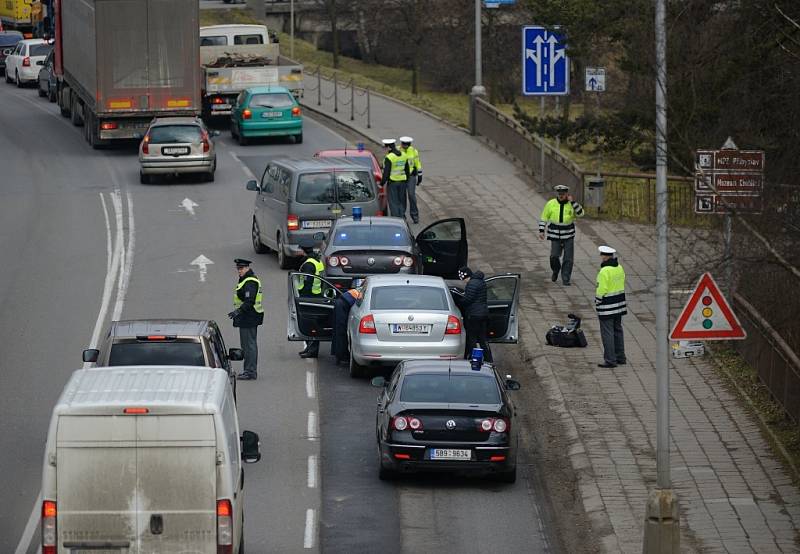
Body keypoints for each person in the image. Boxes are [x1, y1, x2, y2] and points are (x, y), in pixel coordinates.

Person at [538, 184, 585, 286]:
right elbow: (544, 218)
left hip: (568, 235)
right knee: (554, 256)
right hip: (555, 235)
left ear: (567, 194)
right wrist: (541, 230)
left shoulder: (571, 204)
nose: (561, 196)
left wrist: (573, 202)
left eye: (563, 194)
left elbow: (581, 213)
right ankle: (556, 270)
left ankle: (565, 278)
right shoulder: (551, 204)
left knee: (568, 258)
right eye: (559, 194)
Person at [228, 259, 264, 380]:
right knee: (248, 345)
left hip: (249, 317)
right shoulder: (246, 280)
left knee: (249, 346)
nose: (239, 271)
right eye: (238, 268)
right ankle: (249, 370)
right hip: (247, 317)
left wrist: (238, 311)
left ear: (247, 268)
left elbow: (250, 301)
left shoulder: (250, 282)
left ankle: (250, 371)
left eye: (241, 268)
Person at [595, 246, 627, 368]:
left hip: (607, 306)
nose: (601, 257)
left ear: (605, 256)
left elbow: (601, 289)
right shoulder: (619, 268)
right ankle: (620, 357)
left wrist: (597, 301)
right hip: (619, 305)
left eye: (601, 255)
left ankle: (610, 360)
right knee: (618, 330)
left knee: (607, 333)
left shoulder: (604, 271)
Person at [458, 266, 493, 363]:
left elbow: (468, 300)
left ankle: (473, 358)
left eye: (463, 279)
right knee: (483, 339)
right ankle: (488, 359)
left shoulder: (472, 284)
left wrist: (459, 301)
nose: (463, 282)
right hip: (483, 314)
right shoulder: (481, 281)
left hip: (473, 315)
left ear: (465, 276)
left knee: (471, 338)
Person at [296, 247, 325, 359]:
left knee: (310, 325)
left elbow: (308, 281)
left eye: (300, 250)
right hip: (316, 295)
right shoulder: (317, 261)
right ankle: (309, 348)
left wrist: (303, 295)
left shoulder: (308, 264)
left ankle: (312, 350)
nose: (298, 252)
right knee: (312, 324)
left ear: (304, 251)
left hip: (309, 297)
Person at [380, 138, 410, 218]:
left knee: (393, 203)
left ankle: (396, 219)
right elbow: (407, 170)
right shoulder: (404, 155)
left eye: (385, 147)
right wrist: (407, 181)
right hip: (403, 182)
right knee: (401, 201)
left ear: (389, 147)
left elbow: (386, 173)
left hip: (393, 183)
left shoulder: (389, 157)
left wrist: (381, 184)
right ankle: (402, 216)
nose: (385, 149)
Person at [331, 288, 362, 365]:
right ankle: (342, 356)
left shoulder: (364, 287)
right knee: (341, 331)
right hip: (343, 305)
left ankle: (338, 355)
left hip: (341, 302)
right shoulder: (366, 293)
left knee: (338, 330)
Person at [398, 136, 423, 224]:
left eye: (407, 145)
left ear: (409, 144)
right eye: (404, 144)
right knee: (402, 196)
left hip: (411, 176)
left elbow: (417, 163)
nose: (405, 146)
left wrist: (420, 175)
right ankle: (402, 215)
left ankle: (415, 215)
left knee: (411, 195)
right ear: (401, 144)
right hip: (401, 176)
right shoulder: (398, 150)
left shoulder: (413, 151)